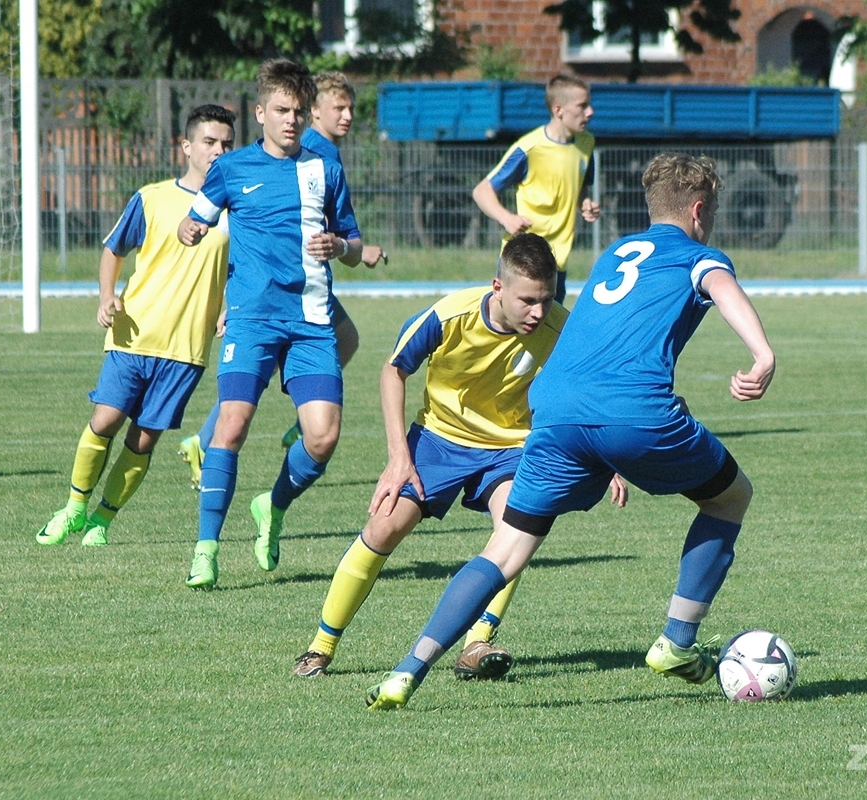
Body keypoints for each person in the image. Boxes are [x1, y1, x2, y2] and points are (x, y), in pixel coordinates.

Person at [366, 152, 776, 710]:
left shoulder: (612, 254)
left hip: (555, 410)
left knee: (506, 548)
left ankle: (405, 672)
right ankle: (676, 643)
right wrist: (761, 353)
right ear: (700, 210)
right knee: (731, 498)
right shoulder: (698, 254)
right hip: (633, 412)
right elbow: (719, 284)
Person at [293, 232, 625, 680]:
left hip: (511, 446)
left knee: (516, 529)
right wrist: (398, 458)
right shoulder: (450, 316)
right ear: (498, 288)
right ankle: (321, 646)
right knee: (385, 524)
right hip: (438, 438)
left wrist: (604, 458)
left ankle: (477, 642)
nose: (539, 312)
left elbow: (590, 390)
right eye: (527, 300)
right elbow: (394, 370)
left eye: (546, 299)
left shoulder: (561, 328)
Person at [177, 59, 360, 589]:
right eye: (281, 110)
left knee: (322, 439)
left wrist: (341, 245)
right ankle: (206, 549)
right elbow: (200, 216)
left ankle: (272, 506)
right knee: (230, 428)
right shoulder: (231, 169)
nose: (291, 120)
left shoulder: (325, 169)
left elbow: (352, 243)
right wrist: (190, 229)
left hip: (310, 320)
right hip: (252, 320)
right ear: (260, 113)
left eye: (299, 112)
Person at [33, 105, 237, 548]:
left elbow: (238, 270)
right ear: (186, 147)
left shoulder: (235, 210)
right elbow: (113, 250)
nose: (218, 150)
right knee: (105, 420)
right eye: (209, 141)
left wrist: (229, 307)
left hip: (186, 348)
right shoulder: (153, 198)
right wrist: (107, 296)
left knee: (143, 440)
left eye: (226, 143)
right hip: (135, 332)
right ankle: (73, 508)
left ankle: (103, 521)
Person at [176, 71, 388, 489]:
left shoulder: (323, 156)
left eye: (350, 108)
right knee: (278, 355)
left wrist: (349, 248)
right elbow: (242, 231)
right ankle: (211, 438)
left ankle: (301, 415)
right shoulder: (308, 150)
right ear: (316, 111)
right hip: (275, 288)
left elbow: (337, 230)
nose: (346, 116)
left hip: (302, 283)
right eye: (337, 108)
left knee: (343, 340)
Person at [472, 74, 601, 304]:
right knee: (512, 331)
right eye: (582, 106)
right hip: (521, 261)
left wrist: (585, 203)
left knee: (547, 335)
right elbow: (482, 191)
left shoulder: (586, 143)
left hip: (556, 262)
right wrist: (507, 218)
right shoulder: (529, 149)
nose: (590, 112)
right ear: (559, 110)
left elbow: (578, 185)